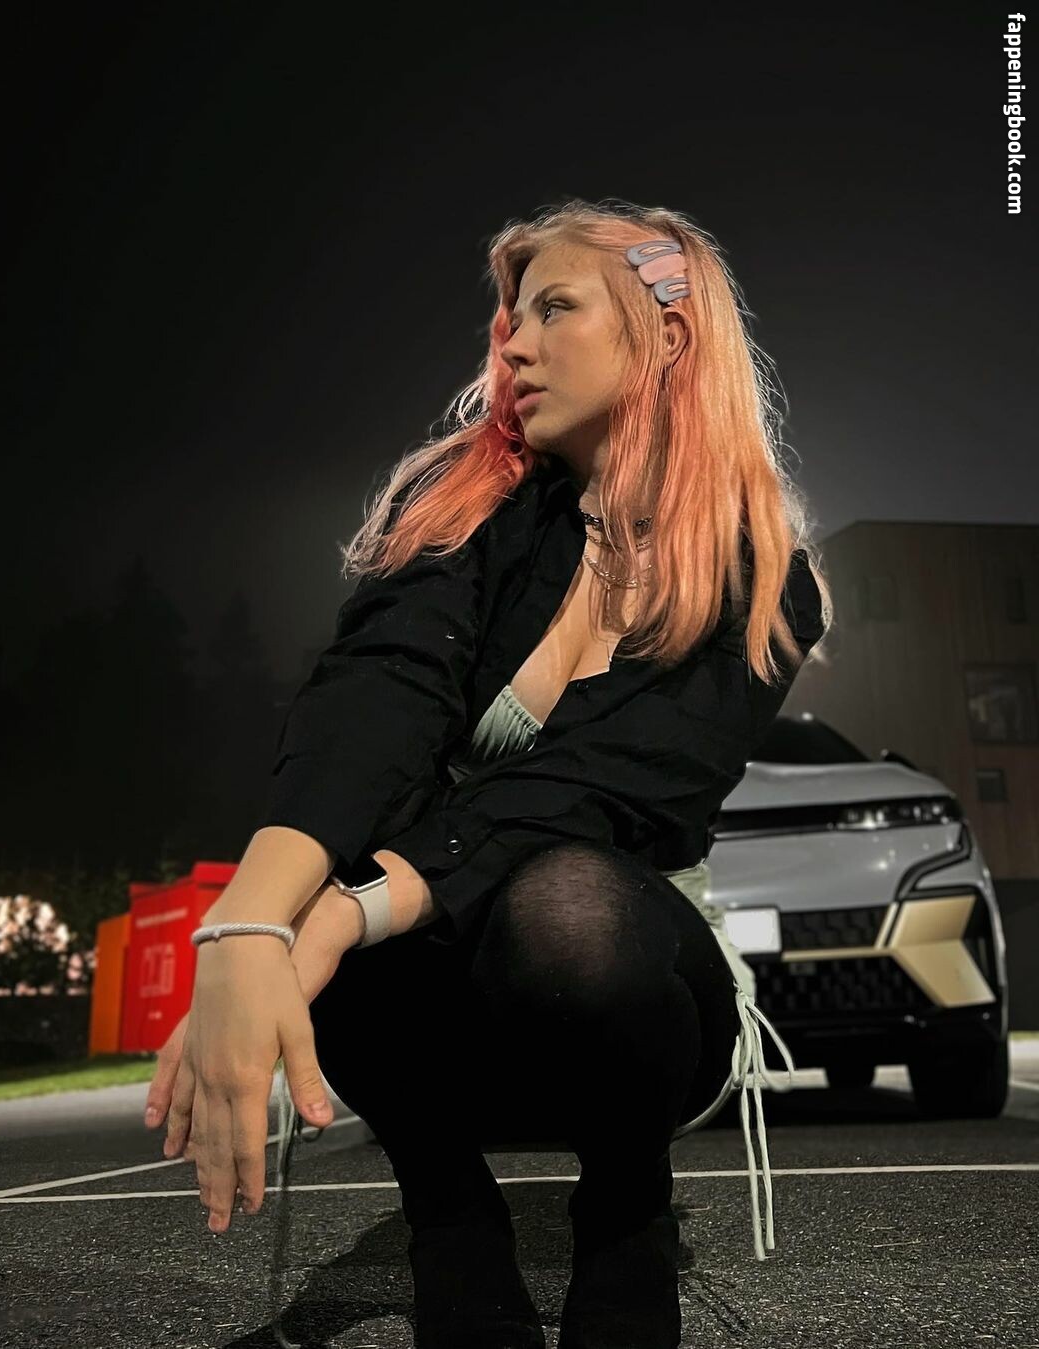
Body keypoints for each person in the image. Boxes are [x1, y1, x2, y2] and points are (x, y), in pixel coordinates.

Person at [144, 196, 831, 1349]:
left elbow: (589, 790)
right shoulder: (464, 505)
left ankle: (626, 1212)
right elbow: (379, 694)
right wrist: (252, 920)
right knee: (329, 883)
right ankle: (450, 1218)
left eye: (554, 307)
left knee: (566, 897)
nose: (512, 342)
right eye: (510, 316)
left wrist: (343, 912)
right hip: (434, 1007)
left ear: (666, 333)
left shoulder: (762, 578)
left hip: (627, 1008)